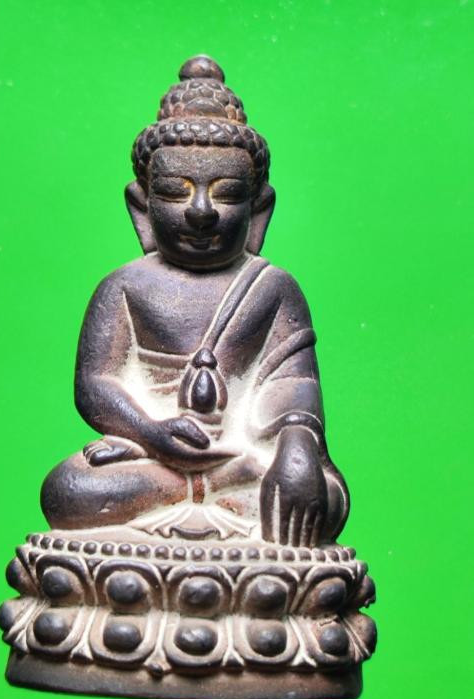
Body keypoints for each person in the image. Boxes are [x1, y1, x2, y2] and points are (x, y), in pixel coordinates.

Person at [40, 56, 348, 546]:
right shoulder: (123, 286)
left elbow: (294, 385)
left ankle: (206, 496)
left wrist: (296, 449)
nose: (201, 212)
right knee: (70, 490)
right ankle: (195, 494)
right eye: (174, 192)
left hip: (243, 460)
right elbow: (96, 384)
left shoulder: (273, 287)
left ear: (258, 210)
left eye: (226, 194)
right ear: (141, 208)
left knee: (315, 496)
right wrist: (150, 431)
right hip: (153, 456)